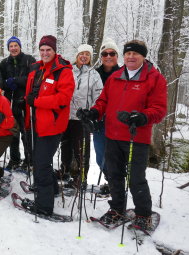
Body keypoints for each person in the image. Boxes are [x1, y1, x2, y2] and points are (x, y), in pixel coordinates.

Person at [78, 40, 167, 231]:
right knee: (115, 176)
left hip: (137, 137)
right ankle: (117, 208)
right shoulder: (115, 77)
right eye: (128, 54)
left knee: (136, 178)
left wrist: (142, 117)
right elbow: (103, 101)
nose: (131, 57)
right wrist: (94, 112)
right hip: (113, 135)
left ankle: (143, 214)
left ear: (143, 56)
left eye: (136, 54)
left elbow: (159, 109)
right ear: (124, 56)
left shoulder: (154, 78)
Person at [23, 35, 75, 215]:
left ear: (54, 51)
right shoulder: (36, 69)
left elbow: (63, 98)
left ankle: (44, 206)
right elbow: (31, 92)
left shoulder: (63, 70)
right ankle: (51, 190)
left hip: (51, 125)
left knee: (41, 163)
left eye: (48, 50)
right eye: (42, 50)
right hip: (36, 123)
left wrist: (37, 101)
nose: (45, 53)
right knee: (41, 161)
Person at [59, 44, 103, 188]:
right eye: (81, 54)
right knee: (65, 145)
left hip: (82, 118)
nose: (84, 56)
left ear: (90, 58)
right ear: (77, 56)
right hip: (66, 116)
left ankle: (81, 177)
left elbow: (99, 96)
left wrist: (92, 113)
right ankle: (64, 170)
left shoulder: (94, 74)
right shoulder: (68, 71)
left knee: (81, 149)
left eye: (87, 54)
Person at [0, 36, 36, 171]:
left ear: (20, 47)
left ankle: (29, 160)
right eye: (11, 46)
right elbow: (0, 81)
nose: (13, 48)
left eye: (15, 45)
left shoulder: (29, 60)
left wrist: (16, 80)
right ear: (8, 48)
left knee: (26, 133)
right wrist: (7, 84)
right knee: (12, 133)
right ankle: (14, 159)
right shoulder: (4, 63)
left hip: (25, 102)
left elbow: (33, 78)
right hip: (10, 103)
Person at [93, 38, 121, 193]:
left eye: (112, 53)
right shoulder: (94, 74)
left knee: (116, 156)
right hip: (99, 121)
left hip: (118, 122)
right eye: (105, 53)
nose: (108, 56)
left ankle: (117, 185)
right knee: (100, 156)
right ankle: (110, 181)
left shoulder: (124, 74)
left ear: (117, 56)